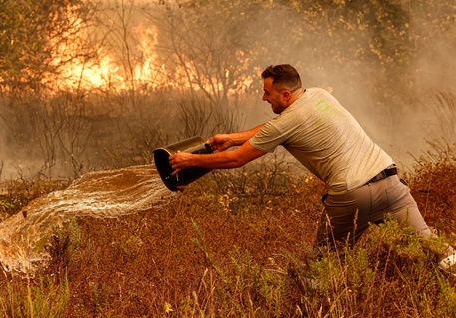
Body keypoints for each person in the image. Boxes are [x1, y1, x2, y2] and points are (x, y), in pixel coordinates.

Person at [169, 64, 455, 270]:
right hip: (391, 184)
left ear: (285, 96)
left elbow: (236, 159)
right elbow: (275, 128)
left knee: (323, 268)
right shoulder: (319, 95)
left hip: (351, 194)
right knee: (435, 250)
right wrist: (232, 137)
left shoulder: (288, 121)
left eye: (267, 93)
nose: (263, 98)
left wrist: (189, 160)